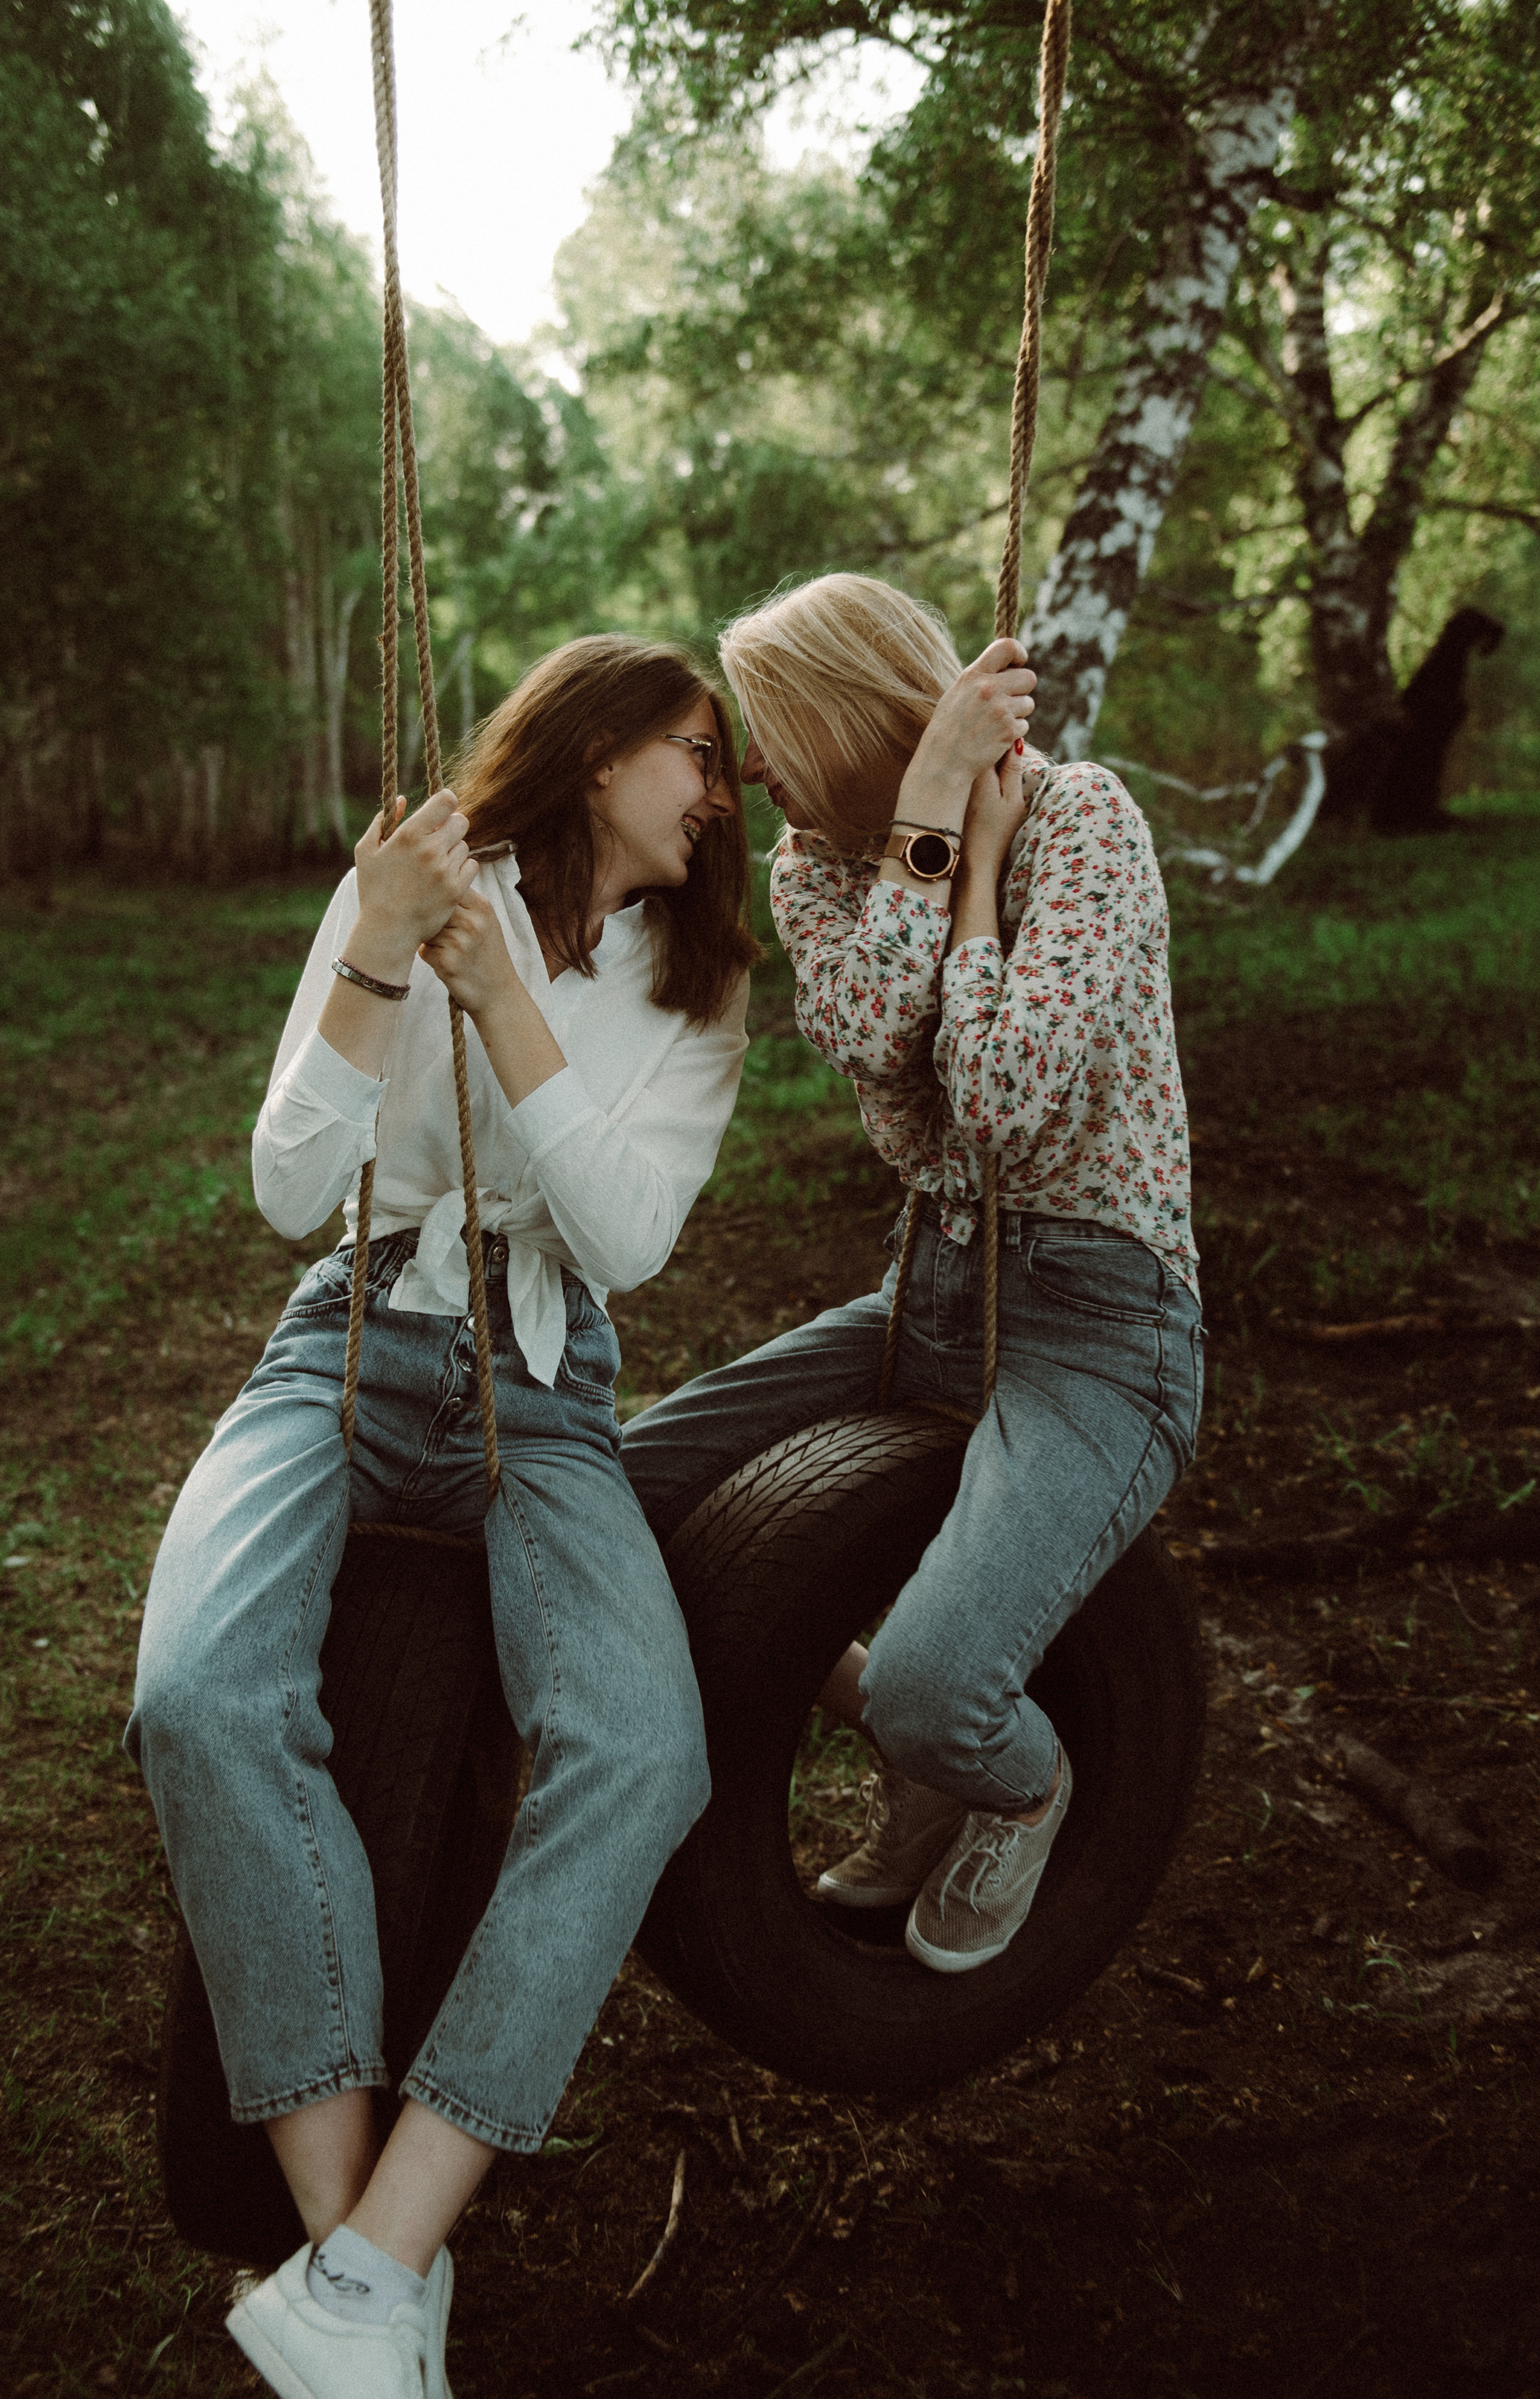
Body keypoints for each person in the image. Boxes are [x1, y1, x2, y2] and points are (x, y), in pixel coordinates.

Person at [127, 635, 759, 2399]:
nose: (722, 799)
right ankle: (360, 2265)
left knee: (642, 1749)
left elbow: (624, 1240)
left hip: (544, 1387)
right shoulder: (411, 878)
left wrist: (503, 1004)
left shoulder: (698, 986)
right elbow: (288, 1189)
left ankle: (383, 2246)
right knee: (197, 1693)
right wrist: (385, 952)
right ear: (597, 749)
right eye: (698, 753)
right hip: (346, 1336)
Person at [621, 574, 1202, 1976]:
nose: (751, 772)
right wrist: (935, 818)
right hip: (929, 1288)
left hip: (1099, 1326)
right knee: (613, 1494)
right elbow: (870, 1032)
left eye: (766, 728)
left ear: (838, 714)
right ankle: (913, 1749)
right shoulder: (819, 865)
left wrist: (980, 882)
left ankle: (1016, 1781)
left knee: (942, 1691)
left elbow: (992, 1100)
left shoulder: (1085, 819)